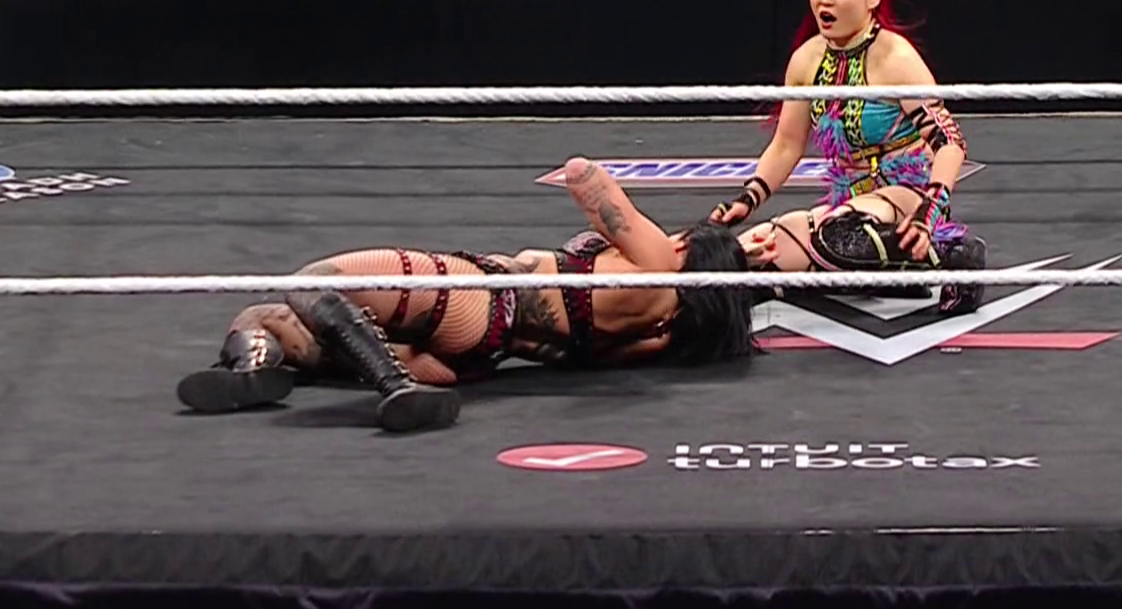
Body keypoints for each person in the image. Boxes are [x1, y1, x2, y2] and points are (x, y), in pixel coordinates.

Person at [176, 158, 758, 432]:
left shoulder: (657, 266)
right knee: (265, 315)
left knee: (313, 282)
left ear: (690, 251)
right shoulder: (660, 337)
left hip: (475, 297)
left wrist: (629, 227)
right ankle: (252, 366)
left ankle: (395, 388)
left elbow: (584, 176)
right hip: (475, 357)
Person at [709, 0, 989, 312]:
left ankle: (951, 254)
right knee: (747, 254)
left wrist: (928, 213)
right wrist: (748, 199)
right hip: (848, 203)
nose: (826, 0)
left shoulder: (896, 58)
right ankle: (890, 272)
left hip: (905, 193)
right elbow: (787, 145)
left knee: (839, 234)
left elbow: (950, 143)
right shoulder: (806, 60)